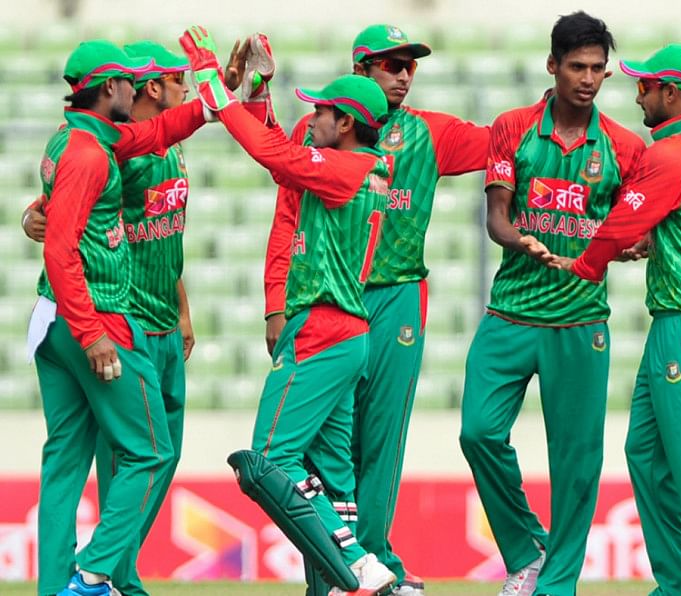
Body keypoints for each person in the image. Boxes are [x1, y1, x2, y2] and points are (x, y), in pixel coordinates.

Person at [260, 23, 489, 596]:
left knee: (382, 436)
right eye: (391, 64)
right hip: (328, 298)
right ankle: (334, 572)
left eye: (410, 65)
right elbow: (288, 215)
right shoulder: (315, 130)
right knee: (324, 443)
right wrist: (274, 302)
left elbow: (509, 143)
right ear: (360, 69)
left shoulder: (430, 132)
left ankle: (378, 559)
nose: (404, 75)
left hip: (396, 295)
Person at [177, 26, 397, 595]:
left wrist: (209, 76)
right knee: (332, 479)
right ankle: (345, 576)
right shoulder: (359, 167)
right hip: (345, 333)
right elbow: (285, 160)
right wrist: (257, 91)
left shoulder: (346, 169)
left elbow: (271, 152)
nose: (313, 119)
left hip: (321, 329)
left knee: (269, 461)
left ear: (345, 123)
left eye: (321, 112)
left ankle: (358, 564)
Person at [545, 43, 681, 596]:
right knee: (647, 454)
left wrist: (583, 265)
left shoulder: (670, 154)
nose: (637, 96)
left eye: (645, 86)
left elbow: (614, 227)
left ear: (671, 93)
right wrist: (662, 241)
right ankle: (680, 582)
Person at [458, 12, 645, 596]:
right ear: (552, 66)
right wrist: (521, 240)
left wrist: (632, 246)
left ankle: (556, 585)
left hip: (580, 320)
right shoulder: (513, 128)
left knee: (576, 462)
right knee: (478, 433)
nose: (587, 79)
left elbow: (638, 229)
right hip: (510, 312)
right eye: (576, 67)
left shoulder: (625, 147)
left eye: (597, 69)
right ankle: (527, 551)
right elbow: (496, 217)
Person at [29, 38, 208, 596]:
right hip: (97, 316)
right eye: (128, 80)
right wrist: (92, 335)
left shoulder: (76, 139)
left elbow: (155, 133)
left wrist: (219, 97)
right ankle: (94, 574)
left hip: (54, 318)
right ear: (111, 87)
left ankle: (56, 587)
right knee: (151, 450)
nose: (135, 87)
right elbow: (60, 250)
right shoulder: (89, 155)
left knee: (64, 461)